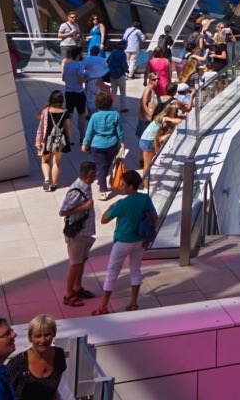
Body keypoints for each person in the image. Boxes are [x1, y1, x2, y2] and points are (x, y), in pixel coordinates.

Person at [95, 170, 156, 315]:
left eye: (123, 185)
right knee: (135, 269)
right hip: (140, 241)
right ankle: (133, 303)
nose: (120, 187)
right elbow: (155, 217)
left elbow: (104, 220)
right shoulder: (145, 199)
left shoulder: (121, 204)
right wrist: (148, 237)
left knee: (112, 273)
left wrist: (110, 207)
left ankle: (103, 306)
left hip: (122, 241)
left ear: (130, 187)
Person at [58, 161, 98, 307]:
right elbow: (63, 211)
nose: (97, 175)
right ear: (90, 174)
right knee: (75, 264)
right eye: (95, 173)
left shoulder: (86, 186)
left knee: (81, 261)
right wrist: (84, 207)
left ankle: (77, 287)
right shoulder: (77, 190)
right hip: (77, 234)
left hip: (85, 232)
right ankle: (69, 295)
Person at [4, 313, 66, 400]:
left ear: (54, 334)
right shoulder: (17, 363)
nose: (42, 340)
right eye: (38, 336)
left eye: (47, 335)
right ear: (30, 338)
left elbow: (54, 391)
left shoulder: (59, 355)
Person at [138, 84, 187, 188]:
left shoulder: (160, 117)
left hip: (148, 140)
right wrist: (179, 118)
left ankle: (147, 184)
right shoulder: (163, 118)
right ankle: (146, 187)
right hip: (147, 142)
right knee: (147, 165)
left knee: (150, 163)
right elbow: (176, 120)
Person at [82, 92, 124, 199]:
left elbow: (89, 131)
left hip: (97, 145)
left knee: (100, 166)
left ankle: (103, 190)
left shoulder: (95, 116)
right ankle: (102, 181)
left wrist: (85, 143)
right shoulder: (115, 114)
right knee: (107, 164)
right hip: (112, 144)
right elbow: (119, 130)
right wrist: (122, 141)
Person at [34, 90, 71, 192]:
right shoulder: (65, 112)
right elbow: (68, 127)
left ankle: (46, 179)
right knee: (57, 162)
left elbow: (37, 116)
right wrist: (69, 140)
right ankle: (53, 184)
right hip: (60, 140)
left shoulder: (46, 111)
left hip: (46, 140)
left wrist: (46, 105)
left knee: (45, 161)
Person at [60, 46, 89, 140]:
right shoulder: (79, 65)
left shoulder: (66, 64)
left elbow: (63, 78)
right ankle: (82, 137)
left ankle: (67, 138)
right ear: (77, 55)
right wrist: (86, 77)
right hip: (79, 93)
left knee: (69, 116)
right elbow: (80, 80)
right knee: (81, 116)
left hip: (68, 93)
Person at [104, 28, 130, 113]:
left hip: (112, 75)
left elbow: (108, 61)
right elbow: (124, 65)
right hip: (120, 75)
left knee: (113, 92)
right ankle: (123, 108)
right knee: (123, 92)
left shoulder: (113, 52)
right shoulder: (122, 54)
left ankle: (110, 106)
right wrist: (127, 70)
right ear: (124, 46)